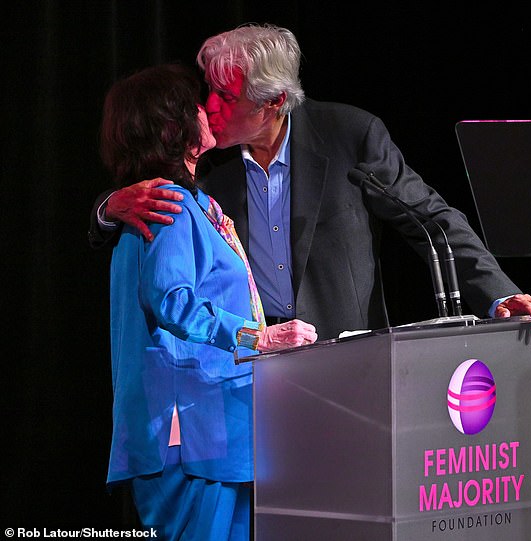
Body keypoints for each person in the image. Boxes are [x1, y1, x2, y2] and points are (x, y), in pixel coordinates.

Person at [89, 23, 531, 341]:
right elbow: (147, 192)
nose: (208, 105)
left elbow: (432, 218)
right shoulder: (207, 162)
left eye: (226, 96)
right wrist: (107, 209)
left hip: (345, 355)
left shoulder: (349, 136)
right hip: (248, 366)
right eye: (209, 89)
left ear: (273, 102)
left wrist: (501, 294)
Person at [99, 63, 317, 540]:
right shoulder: (166, 205)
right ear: (174, 127)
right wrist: (257, 337)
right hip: (190, 435)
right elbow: (172, 302)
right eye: (199, 104)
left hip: (218, 429)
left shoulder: (195, 203)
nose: (210, 111)